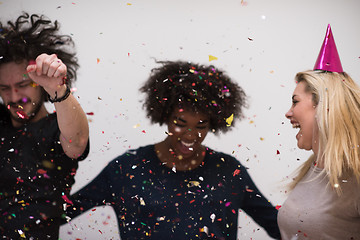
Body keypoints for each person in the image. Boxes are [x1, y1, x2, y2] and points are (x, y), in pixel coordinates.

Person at [67, 61, 280, 239]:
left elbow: (278, 226)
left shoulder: (228, 172)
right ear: (165, 116)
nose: (189, 135)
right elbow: (58, 213)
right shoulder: (126, 169)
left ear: (213, 124)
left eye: (201, 126)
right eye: (180, 123)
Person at [0, 13, 89, 239]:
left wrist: (57, 88)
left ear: (39, 84)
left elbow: (77, 143)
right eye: (4, 88)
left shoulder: (54, 129)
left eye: (22, 85)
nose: (14, 96)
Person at [278, 25, 360, 239]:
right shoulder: (311, 169)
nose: (288, 113)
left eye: (295, 102)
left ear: (323, 107)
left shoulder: (356, 177)